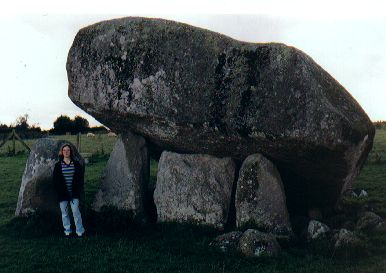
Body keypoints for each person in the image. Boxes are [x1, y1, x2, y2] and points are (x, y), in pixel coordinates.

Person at [53, 143, 85, 237]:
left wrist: (78, 189)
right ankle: (67, 231)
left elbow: (80, 179)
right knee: (65, 213)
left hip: (74, 193)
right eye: (64, 150)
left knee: (76, 212)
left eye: (68, 150)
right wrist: (60, 191)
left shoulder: (76, 164)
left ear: (70, 152)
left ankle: (80, 231)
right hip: (62, 194)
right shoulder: (58, 166)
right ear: (62, 152)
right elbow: (55, 180)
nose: (66, 152)